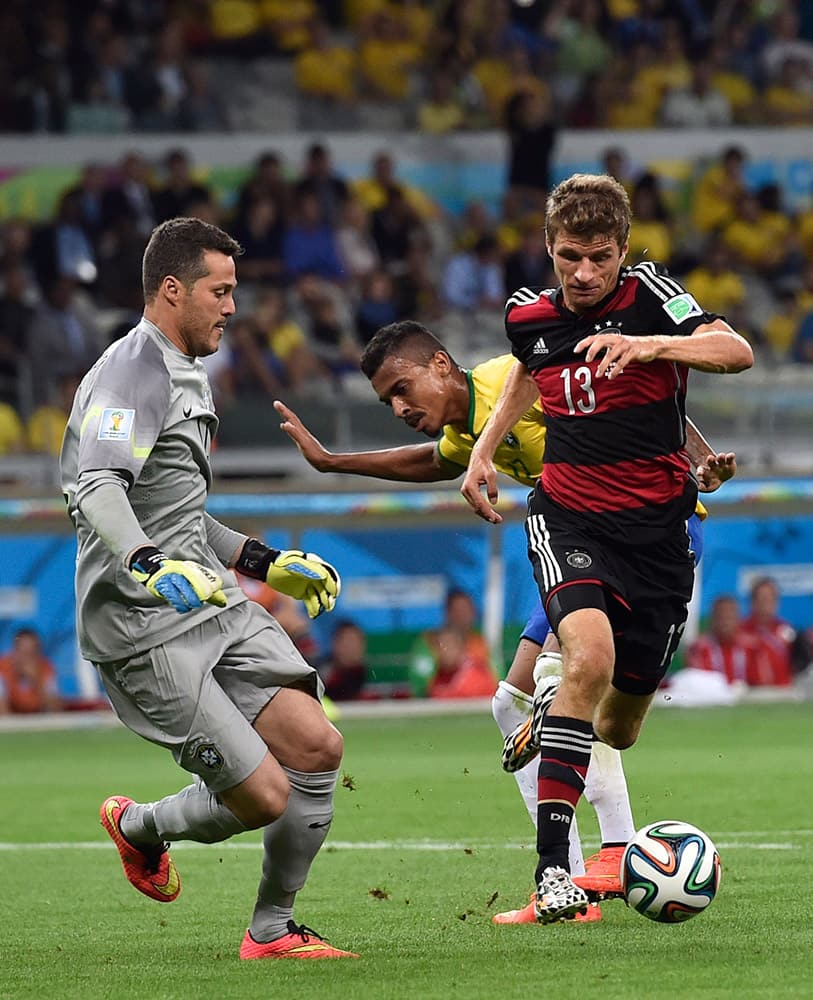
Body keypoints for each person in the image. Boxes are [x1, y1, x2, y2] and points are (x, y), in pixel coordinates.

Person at [274, 318, 736, 922]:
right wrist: (335, 464)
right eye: (387, 399)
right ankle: (569, 883)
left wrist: (699, 456)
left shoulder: (505, 380)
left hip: (652, 532)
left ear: (442, 365)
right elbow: (432, 463)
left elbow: (629, 394)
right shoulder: (467, 431)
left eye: (403, 388)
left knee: (569, 685)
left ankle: (612, 850)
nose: (398, 407)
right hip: (586, 538)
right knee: (513, 701)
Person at [58, 217, 357, 960]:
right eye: (219, 291)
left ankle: (272, 931)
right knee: (262, 796)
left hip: (212, 610)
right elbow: (98, 487)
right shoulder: (133, 373)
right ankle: (138, 827)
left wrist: (260, 559)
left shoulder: (188, 368)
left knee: (316, 746)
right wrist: (152, 566)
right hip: (141, 627)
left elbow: (178, 511)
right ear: (171, 290)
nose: (232, 307)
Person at [459, 173, 752, 922]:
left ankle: (558, 714)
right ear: (549, 250)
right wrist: (483, 450)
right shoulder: (526, 314)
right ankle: (553, 872)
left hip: (658, 535)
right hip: (570, 518)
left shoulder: (652, 295)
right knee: (584, 659)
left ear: (622, 251)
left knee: (617, 724)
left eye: (596, 257)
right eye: (566, 257)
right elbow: (533, 372)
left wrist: (653, 346)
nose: (581, 274)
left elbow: (735, 349)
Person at [0, 627, 61, 714]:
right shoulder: (2, 669)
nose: (27, 660)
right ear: (15, 652)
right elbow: (3, 713)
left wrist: (36, 681)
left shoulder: (45, 669)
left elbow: (56, 710)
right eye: (24, 653)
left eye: (32, 654)